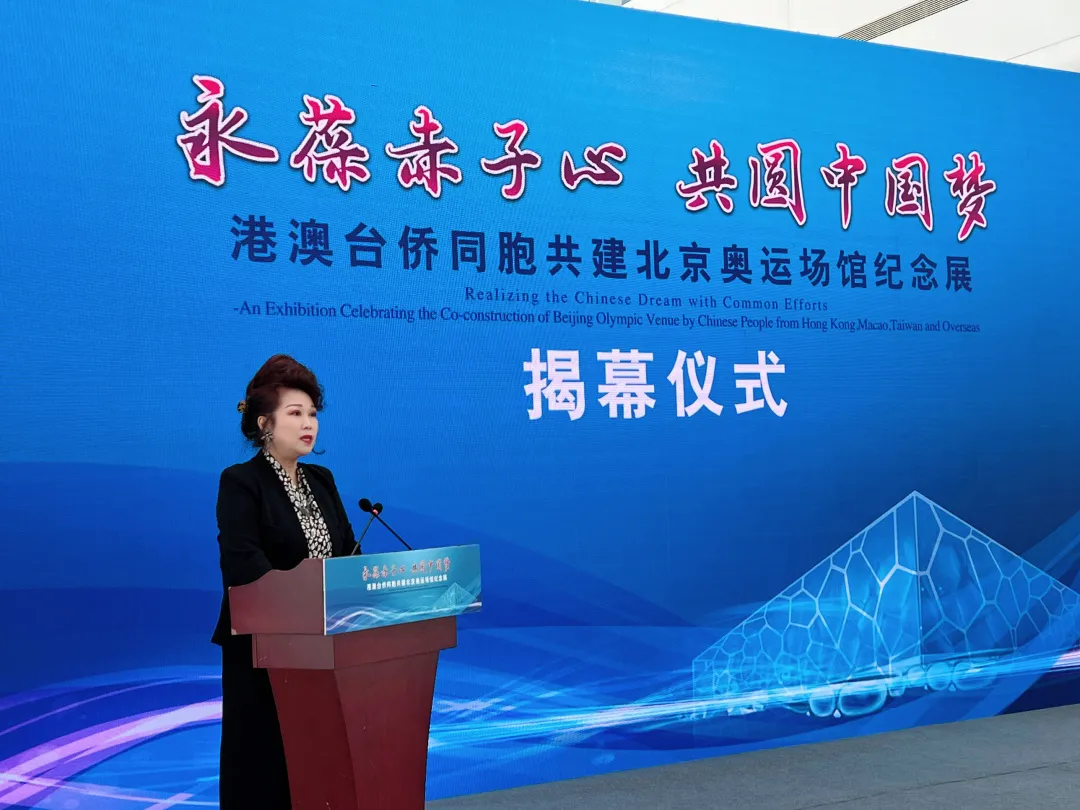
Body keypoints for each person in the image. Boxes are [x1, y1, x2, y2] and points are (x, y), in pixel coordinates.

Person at [211, 354, 357, 809]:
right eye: (295, 413)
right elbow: (243, 565)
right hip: (264, 651)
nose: (308, 423)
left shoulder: (322, 479)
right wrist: (304, 598)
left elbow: (349, 556)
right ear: (265, 424)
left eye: (313, 413)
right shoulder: (241, 482)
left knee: (318, 763)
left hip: (326, 646)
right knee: (266, 765)